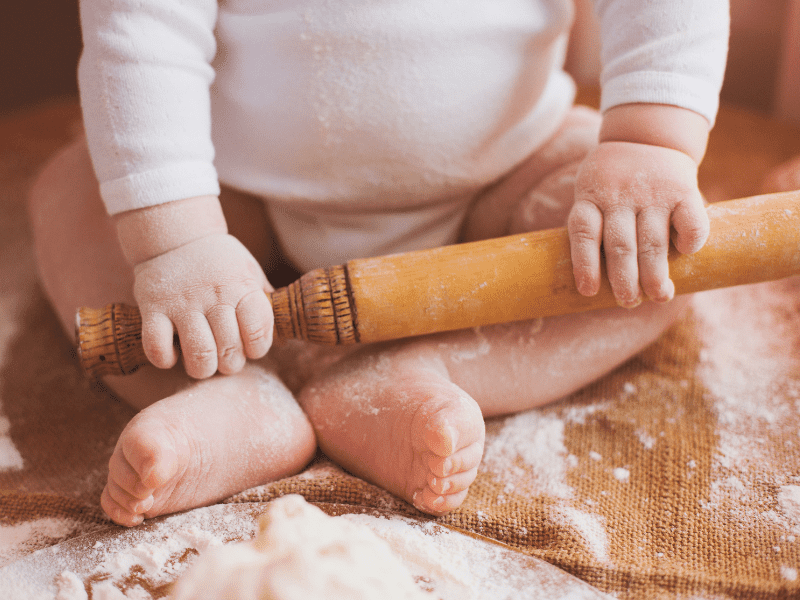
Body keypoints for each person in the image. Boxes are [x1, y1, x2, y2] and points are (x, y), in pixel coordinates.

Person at [28, 0, 729, 526]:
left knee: (658, 261)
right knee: (72, 194)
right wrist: (173, 239)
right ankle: (229, 395)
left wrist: (647, 140)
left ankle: (417, 376)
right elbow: (142, 34)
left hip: (502, 179)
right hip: (224, 204)